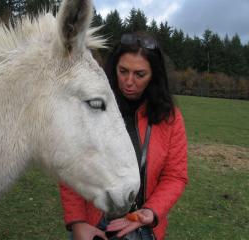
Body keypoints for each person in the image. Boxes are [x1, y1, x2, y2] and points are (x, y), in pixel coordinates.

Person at [59, 32, 188, 240]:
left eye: (140, 74)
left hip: (141, 227)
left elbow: (176, 175)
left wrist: (151, 211)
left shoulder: (169, 117)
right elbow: (72, 165)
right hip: (93, 224)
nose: (129, 81)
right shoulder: (92, 105)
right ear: (113, 68)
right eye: (123, 71)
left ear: (154, 75)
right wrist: (78, 222)